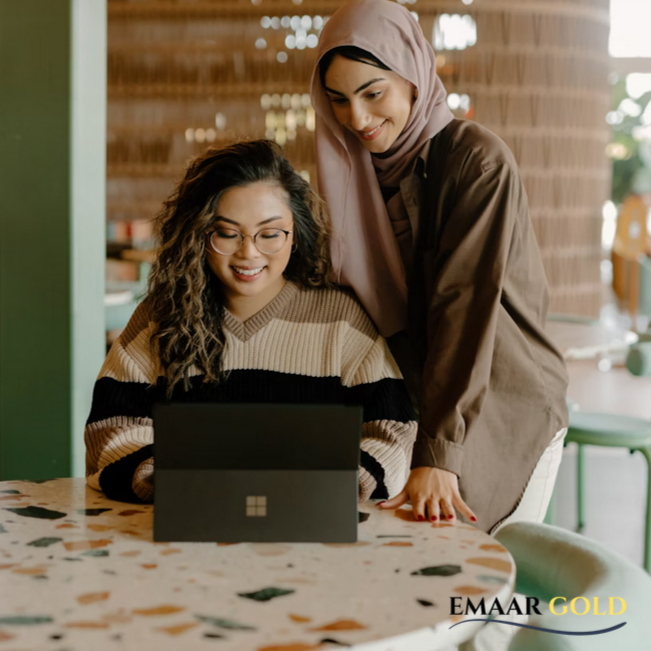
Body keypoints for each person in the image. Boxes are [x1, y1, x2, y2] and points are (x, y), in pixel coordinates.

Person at [310, 0, 569, 535]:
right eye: (338, 100)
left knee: (480, 596)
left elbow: (463, 305)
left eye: (372, 93)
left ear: (413, 78)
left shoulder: (476, 162)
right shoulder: (350, 178)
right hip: (416, 407)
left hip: (500, 404)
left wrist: (439, 450)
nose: (356, 118)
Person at [85, 139, 417, 504]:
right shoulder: (159, 317)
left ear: (296, 235)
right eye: (227, 233)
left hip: (311, 525)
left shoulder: (341, 320)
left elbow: (393, 432)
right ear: (198, 234)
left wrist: (332, 484)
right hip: (184, 526)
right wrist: (179, 481)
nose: (248, 252)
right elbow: (109, 432)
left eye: (270, 234)